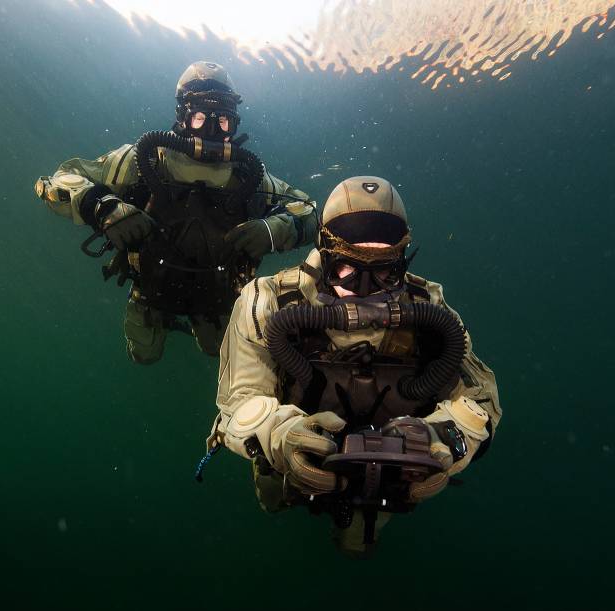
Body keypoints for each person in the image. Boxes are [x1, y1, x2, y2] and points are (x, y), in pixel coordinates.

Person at [209, 176, 502, 557]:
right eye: (347, 269)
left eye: (385, 273)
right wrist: (282, 436)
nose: (365, 289)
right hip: (296, 460)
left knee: (360, 544)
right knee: (275, 499)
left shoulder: (431, 310)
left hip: (393, 474)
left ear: (402, 260)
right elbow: (239, 400)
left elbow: (481, 400)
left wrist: (441, 438)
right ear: (325, 254)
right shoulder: (269, 302)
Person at [34, 61, 317, 363]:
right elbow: (56, 180)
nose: (210, 129)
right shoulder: (144, 160)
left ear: (234, 124)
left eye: (222, 121)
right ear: (182, 115)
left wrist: (274, 230)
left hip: (218, 302)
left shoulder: (251, 176)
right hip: (151, 293)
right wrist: (102, 207)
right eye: (199, 118)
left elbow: (310, 212)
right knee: (143, 354)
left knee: (219, 353)